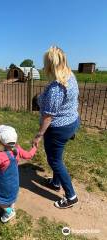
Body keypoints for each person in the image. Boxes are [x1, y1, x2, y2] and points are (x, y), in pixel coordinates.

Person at [33, 46, 80, 209]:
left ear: (50, 64)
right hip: (71, 122)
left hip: (59, 128)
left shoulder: (56, 88)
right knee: (57, 157)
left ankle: (71, 196)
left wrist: (39, 135)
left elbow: (48, 116)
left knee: (54, 160)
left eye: (45, 62)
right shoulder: (70, 76)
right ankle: (55, 182)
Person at [0, 125, 37, 223]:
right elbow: (29, 155)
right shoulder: (18, 149)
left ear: (1, 142)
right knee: (11, 196)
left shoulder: (0, 156)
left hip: (3, 184)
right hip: (15, 182)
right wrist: (34, 148)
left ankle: (9, 211)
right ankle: (12, 206)